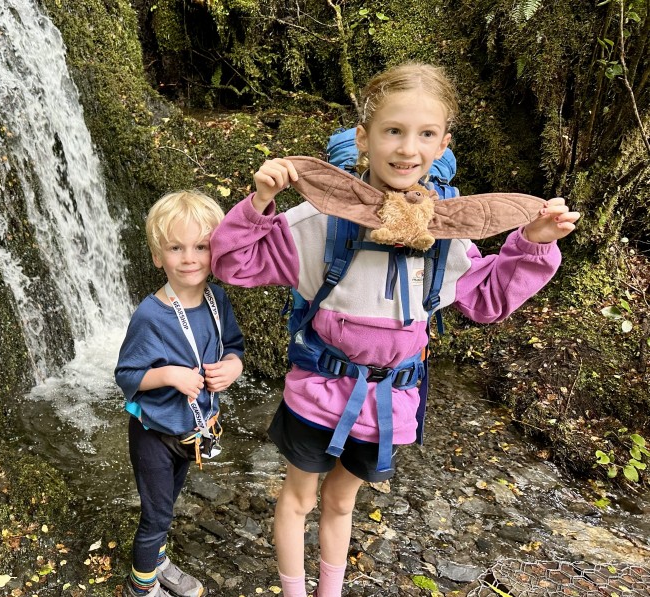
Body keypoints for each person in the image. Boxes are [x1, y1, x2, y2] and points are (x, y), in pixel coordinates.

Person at [209, 63, 580, 597]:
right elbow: (233, 263)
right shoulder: (319, 223)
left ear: (443, 143)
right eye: (393, 131)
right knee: (299, 498)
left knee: (341, 502)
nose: (408, 148)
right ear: (364, 138)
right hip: (316, 393)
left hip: (386, 403)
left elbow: (488, 298)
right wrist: (260, 203)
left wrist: (536, 241)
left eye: (425, 134)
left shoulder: (447, 238)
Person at [115, 190, 246, 597]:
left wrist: (232, 368)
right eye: (175, 247)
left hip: (192, 432)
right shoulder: (150, 315)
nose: (189, 258)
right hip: (154, 433)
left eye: (201, 246)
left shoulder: (216, 299)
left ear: (216, 251)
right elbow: (126, 375)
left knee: (166, 508)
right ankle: (141, 587)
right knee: (156, 516)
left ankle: (156, 562)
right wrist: (168, 374)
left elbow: (235, 347)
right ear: (158, 256)